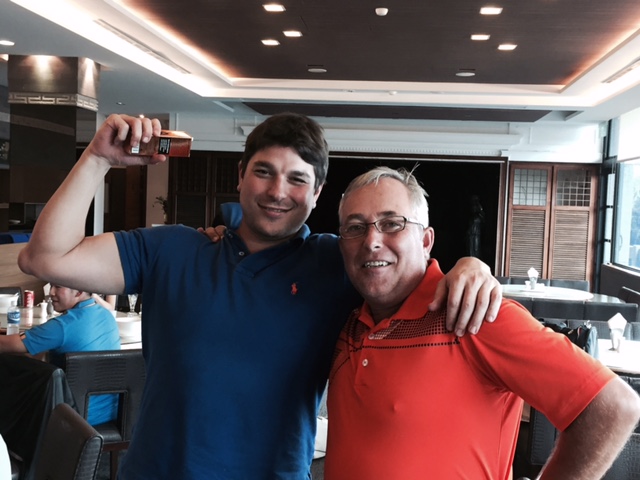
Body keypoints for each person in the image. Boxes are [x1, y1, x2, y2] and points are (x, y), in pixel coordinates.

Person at [18, 113, 502, 479]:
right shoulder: (171, 249)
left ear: (317, 193)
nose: (277, 191)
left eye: (297, 179)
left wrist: (471, 266)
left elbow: (405, 270)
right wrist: (98, 158)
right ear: (240, 175)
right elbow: (45, 258)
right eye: (264, 172)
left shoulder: (334, 263)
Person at [326, 166, 640, 479]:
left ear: (425, 240)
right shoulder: (347, 320)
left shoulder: (476, 314)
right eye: (355, 227)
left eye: (392, 223)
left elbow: (613, 406)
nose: (371, 240)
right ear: (341, 245)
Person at [0, 284, 120, 425]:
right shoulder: (107, 315)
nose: (51, 292)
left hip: (71, 420)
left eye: (57, 287)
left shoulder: (63, 326)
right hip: (112, 415)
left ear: (79, 291)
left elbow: (5, 345)